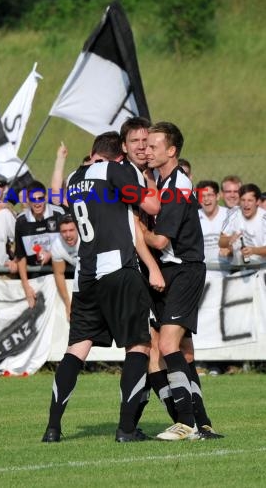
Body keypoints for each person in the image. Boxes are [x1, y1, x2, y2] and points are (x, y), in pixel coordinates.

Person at [42, 131, 160, 444]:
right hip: (117, 268)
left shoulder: (73, 177)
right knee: (138, 345)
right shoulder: (115, 170)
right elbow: (151, 206)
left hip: (84, 274)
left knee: (76, 349)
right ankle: (125, 429)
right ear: (118, 155)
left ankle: (53, 427)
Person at [142, 121, 223, 441]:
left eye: (153, 146)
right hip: (174, 270)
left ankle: (186, 422)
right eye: (145, 145)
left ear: (171, 151)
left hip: (184, 270)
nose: (147, 150)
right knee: (180, 351)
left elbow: (161, 242)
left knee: (166, 346)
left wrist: (136, 231)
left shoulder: (178, 186)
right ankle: (202, 423)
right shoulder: (163, 181)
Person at [15, 180, 65, 307]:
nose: (37, 203)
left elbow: (70, 242)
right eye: (33, 199)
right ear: (28, 200)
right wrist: (26, 286)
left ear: (46, 197)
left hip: (63, 275)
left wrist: (51, 253)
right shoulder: (21, 221)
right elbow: (20, 257)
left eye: (40, 198)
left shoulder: (59, 214)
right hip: (35, 278)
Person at [219, 183, 266, 263]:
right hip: (240, 267)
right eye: (243, 200)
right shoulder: (234, 213)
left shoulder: (263, 218)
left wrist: (253, 251)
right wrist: (229, 239)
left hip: (261, 269)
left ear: (257, 202)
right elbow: (221, 241)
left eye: (250, 200)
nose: (246, 204)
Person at [51, 214, 80, 321]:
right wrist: (68, 304)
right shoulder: (57, 245)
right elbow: (59, 274)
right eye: (64, 231)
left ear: (78, 228)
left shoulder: (87, 238)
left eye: (71, 230)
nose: (68, 235)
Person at [196, 180, 229, 267]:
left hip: (227, 270)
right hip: (203, 272)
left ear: (217, 196)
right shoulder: (194, 218)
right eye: (202, 196)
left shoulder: (229, 215)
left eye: (210, 195)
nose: (206, 199)